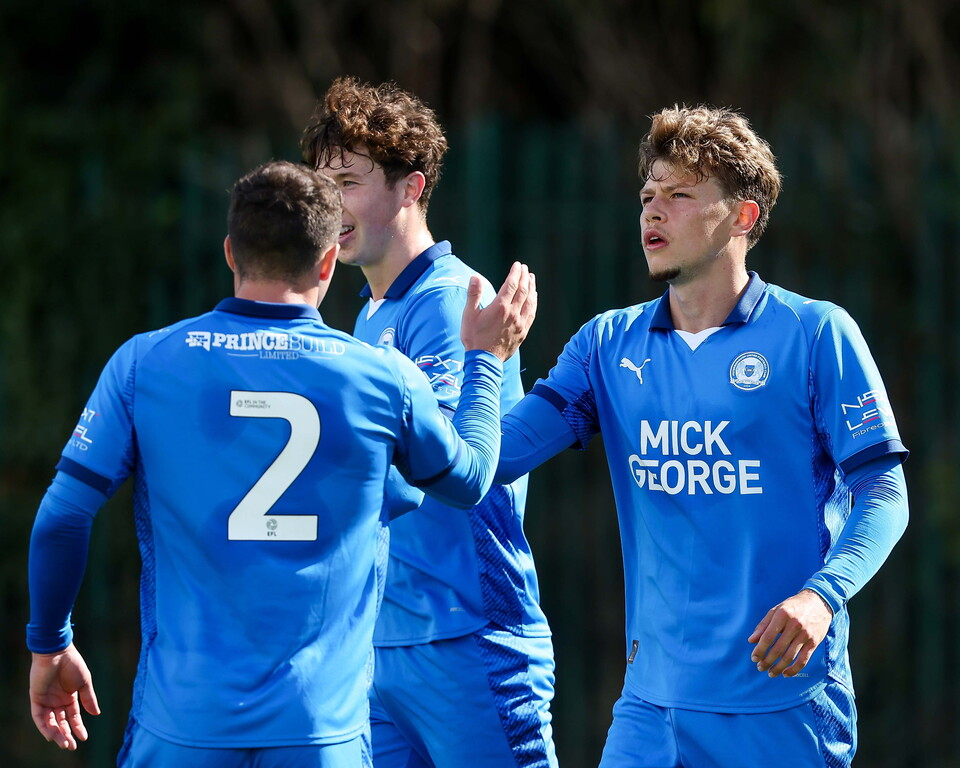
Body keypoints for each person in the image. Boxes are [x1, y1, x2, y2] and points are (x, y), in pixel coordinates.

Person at [26, 160, 538, 768]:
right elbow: (471, 479)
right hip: (321, 734)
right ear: (326, 263)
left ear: (229, 253)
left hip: (183, 725)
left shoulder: (144, 364)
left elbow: (61, 517)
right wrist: (486, 357)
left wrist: (50, 646)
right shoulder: (381, 377)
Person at [494, 105, 909, 767]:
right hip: (651, 709)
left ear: (742, 217)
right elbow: (494, 458)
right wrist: (492, 361)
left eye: (680, 195)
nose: (652, 211)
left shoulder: (814, 334)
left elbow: (884, 492)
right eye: (647, 195)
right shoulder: (607, 344)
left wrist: (820, 596)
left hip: (783, 703)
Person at [300, 77, 557, 768]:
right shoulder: (368, 313)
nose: (331, 204)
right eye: (322, 186)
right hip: (389, 644)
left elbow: (444, 467)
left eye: (349, 182)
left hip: (469, 637)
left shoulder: (449, 302)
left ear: (411, 189)